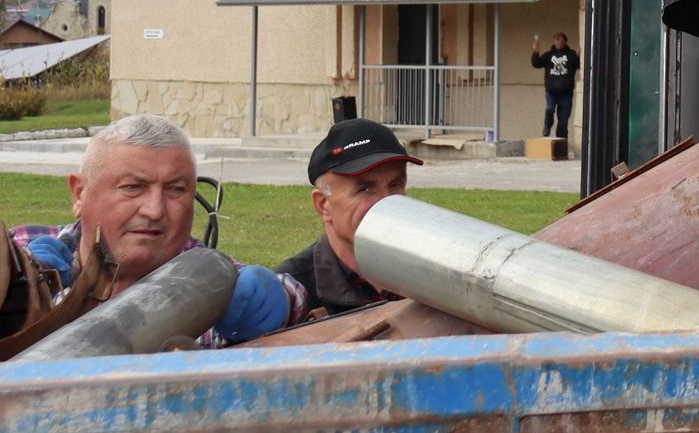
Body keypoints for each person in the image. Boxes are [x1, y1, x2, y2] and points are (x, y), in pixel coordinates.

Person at [11, 113, 306, 345]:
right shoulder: (21, 250)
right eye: (132, 187)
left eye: (176, 189)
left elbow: (293, 297)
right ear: (79, 194)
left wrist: (282, 303)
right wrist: (20, 289)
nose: (154, 209)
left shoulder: (214, 287)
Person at [277, 119, 423, 316]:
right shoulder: (290, 295)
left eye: (395, 185)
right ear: (323, 205)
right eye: (364, 189)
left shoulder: (430, 273)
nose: (385, 203)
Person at [531, 32, 580, 139]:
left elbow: (580, 65)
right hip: (551, 92)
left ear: (565, 41)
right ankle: (547, 126)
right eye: (555, 39)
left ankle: (561, 145)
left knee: (563, 121)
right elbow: (536, 63)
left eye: (559, 38)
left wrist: (579, 56)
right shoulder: (549, 55)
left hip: (566, 93)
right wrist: (535, 52)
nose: (557, 41)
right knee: (549, 109)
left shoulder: (571, 55)